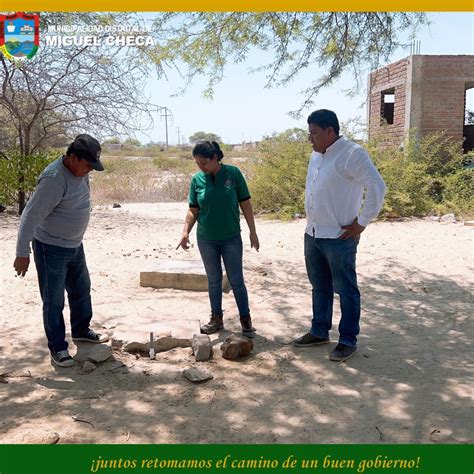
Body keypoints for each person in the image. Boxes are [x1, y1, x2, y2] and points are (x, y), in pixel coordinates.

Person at [293, 109, 386, 362]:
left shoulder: (352, 153)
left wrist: (361, 223)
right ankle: (319, 331)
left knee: (346, 289)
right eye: (309, 133)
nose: (310, 139)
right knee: (319, 286)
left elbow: (377, 186)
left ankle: (347, 340)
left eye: (314, 133)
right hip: (313, 233)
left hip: (339, 236)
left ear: (330, 131)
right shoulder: (316, 155)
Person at [13, 134, 109, 368]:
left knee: (81, 290)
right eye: (87, 166)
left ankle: (81, 330)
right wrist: (22, 252)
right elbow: (29, 217)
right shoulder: (54, 179)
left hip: (75, 245)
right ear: (72, 158)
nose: (88, 172)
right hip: (51, 248)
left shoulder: (81, 172)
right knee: (54, 300)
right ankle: (58, 347)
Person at [178, 141, 259, 338]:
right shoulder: (197, 180)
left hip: (231, 237)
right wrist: (185, 232)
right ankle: (216, 318)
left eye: (204, 163)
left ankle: (245, 319)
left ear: (215, 158)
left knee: (236, 280)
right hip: (206, 238)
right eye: (197, 163)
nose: (200, 167)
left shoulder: (233, 174)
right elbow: (193, 209)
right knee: (213, 280)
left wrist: (252, 231)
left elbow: (245, 203)